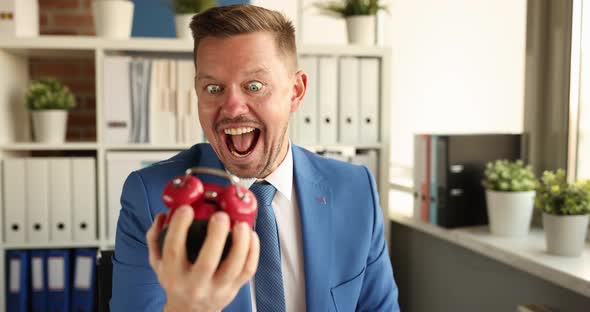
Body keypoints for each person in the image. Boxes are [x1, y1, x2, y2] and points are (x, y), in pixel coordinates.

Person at [110, 4, 399, 312]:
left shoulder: (355, 190)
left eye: (254, 86)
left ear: (296, 92)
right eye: (213, 88)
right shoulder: (153, 197)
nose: (232, 107)